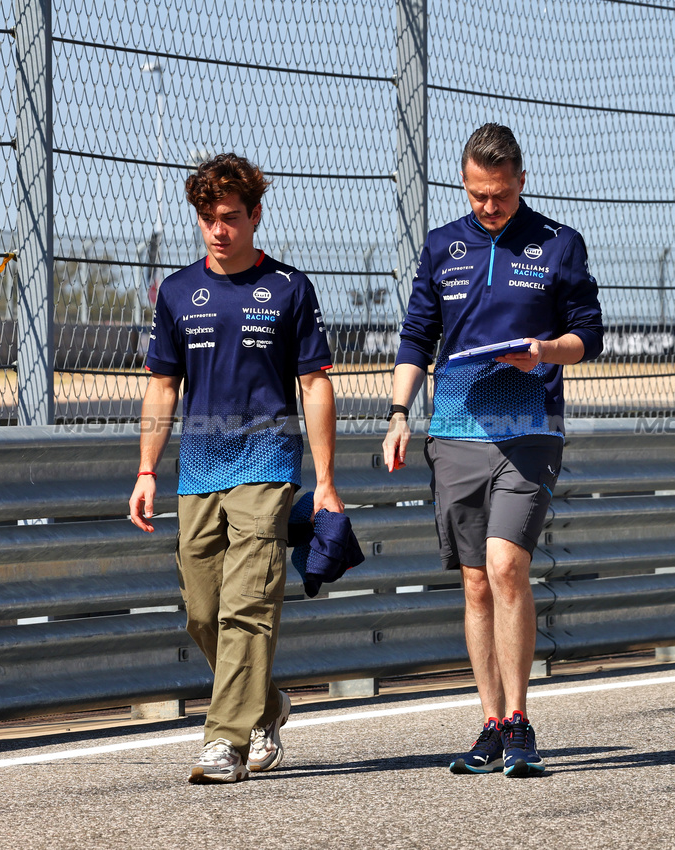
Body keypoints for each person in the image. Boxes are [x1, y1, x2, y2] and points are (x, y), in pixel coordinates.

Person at [383, 123, 603, 778]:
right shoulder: (441, 245)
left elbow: (588, 334)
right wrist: (398, 413)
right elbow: (417, 334)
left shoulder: (558, 245)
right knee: (475, 581)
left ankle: (519, 719)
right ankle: (488, 721)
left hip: (530, 431)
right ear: (466, 183)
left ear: (521, 182)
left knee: (507, 565)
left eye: (500, 196)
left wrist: (542, 351)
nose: (489, 207)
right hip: (453, 432)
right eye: (478, 195)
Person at [128, 153, 343, 784]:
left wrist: (326, 481)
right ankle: (265, 704)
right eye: (206, 218)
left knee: (248, 605)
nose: (217, 230)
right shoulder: (175, 291)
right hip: (197, 471)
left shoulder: (289, 289)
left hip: (267, 464)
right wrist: (147, 470)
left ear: (254, 215)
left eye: (229, 218)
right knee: (203, 612)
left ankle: (223, 742)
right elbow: (163, 387)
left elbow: (316, 384)